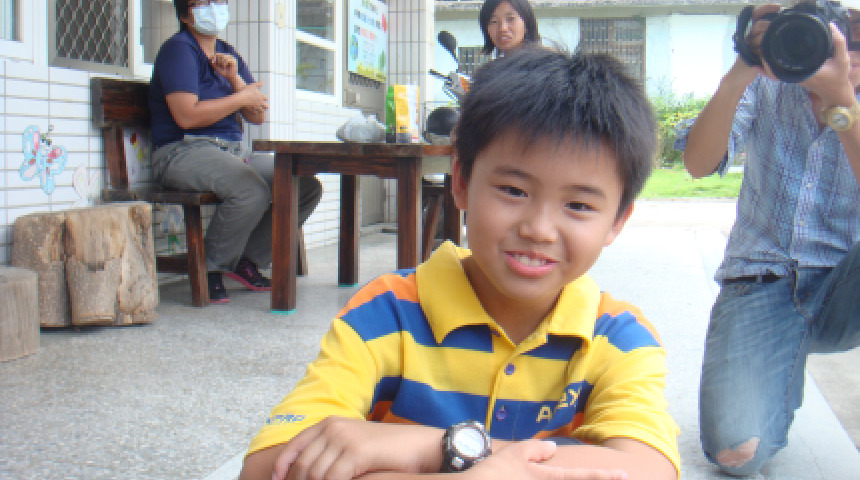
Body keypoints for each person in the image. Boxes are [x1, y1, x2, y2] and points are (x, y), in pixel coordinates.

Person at [238, 47, 680, 480]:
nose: (540, 230)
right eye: (514, 191)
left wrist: (434, 450)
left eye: (579, 205)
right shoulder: (386, 312)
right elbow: (268, 467)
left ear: (617, 220)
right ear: (462, 182)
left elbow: (649, 470)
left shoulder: (619, 338)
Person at [675, 1, 860, 475]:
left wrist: (843, 104)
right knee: (736, 454)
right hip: (764, 276)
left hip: (848, 287)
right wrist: (743, 67)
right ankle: (780, 365)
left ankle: (780, 357)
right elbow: (698, 164)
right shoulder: (766, 85)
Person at [148, 0, 323, 304]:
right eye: (203, 2)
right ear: (185, 14)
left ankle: (246, 260)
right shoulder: (178, 50)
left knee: (303, 185)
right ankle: (210, 268)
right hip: (182, 151)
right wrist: (240, 98)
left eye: (219, 1)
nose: (214, 7)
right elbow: (186, 116)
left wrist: (234, 79)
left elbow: (257, 115)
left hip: (230, 151)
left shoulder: (227, 53)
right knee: (250, 189)